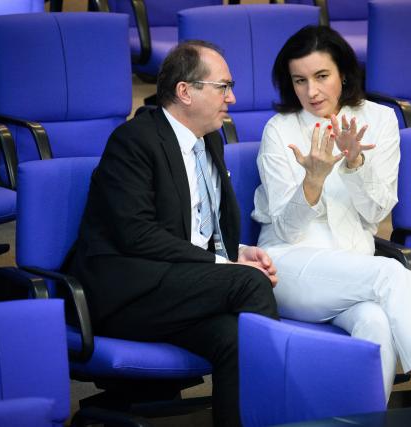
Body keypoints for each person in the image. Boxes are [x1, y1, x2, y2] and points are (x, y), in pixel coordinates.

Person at [67, 40, 279, 426]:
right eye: (223, 86)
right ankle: (285, 413)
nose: (232, 98)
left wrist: (239, 251)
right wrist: (225, 266)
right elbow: (136, 234)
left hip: (179, 286)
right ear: (185, 91)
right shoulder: (134, 141)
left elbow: (200, 224)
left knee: (234, 338)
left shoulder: (210, 138)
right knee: (250, 285)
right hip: (128, 293)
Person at [251, 25, 411, 404]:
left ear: (343, 74)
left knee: (376, 323)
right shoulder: (279, 130)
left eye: (321, 76)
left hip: (352, 270)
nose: (311, 92)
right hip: (287, 267)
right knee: (391, 272)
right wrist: (312, 181)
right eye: (299, 81)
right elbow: (285, 227)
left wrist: (355, 162)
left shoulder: (378, 120)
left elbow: (377, 211)